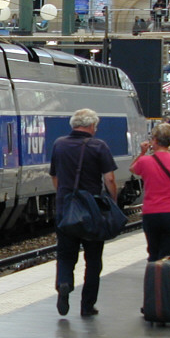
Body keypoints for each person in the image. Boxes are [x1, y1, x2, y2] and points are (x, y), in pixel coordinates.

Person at [50, 108, 118, 317]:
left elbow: (54, 176)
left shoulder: (59, 144)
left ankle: (64, 283)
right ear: (90, 126)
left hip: (66, 208)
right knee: (93, 259)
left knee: (65, 254)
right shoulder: (99, 146)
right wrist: (112, 201)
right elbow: (110, 179)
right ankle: (87, 306)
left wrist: (64, 195)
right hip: (92, 211)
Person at [131, 123, 170, 262]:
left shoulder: (145, 161)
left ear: (154, 140)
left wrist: (142, 152)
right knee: (168, 256)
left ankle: (154, 281)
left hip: (151, 213)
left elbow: (132, 169)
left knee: (153, 253)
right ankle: (165, 281)